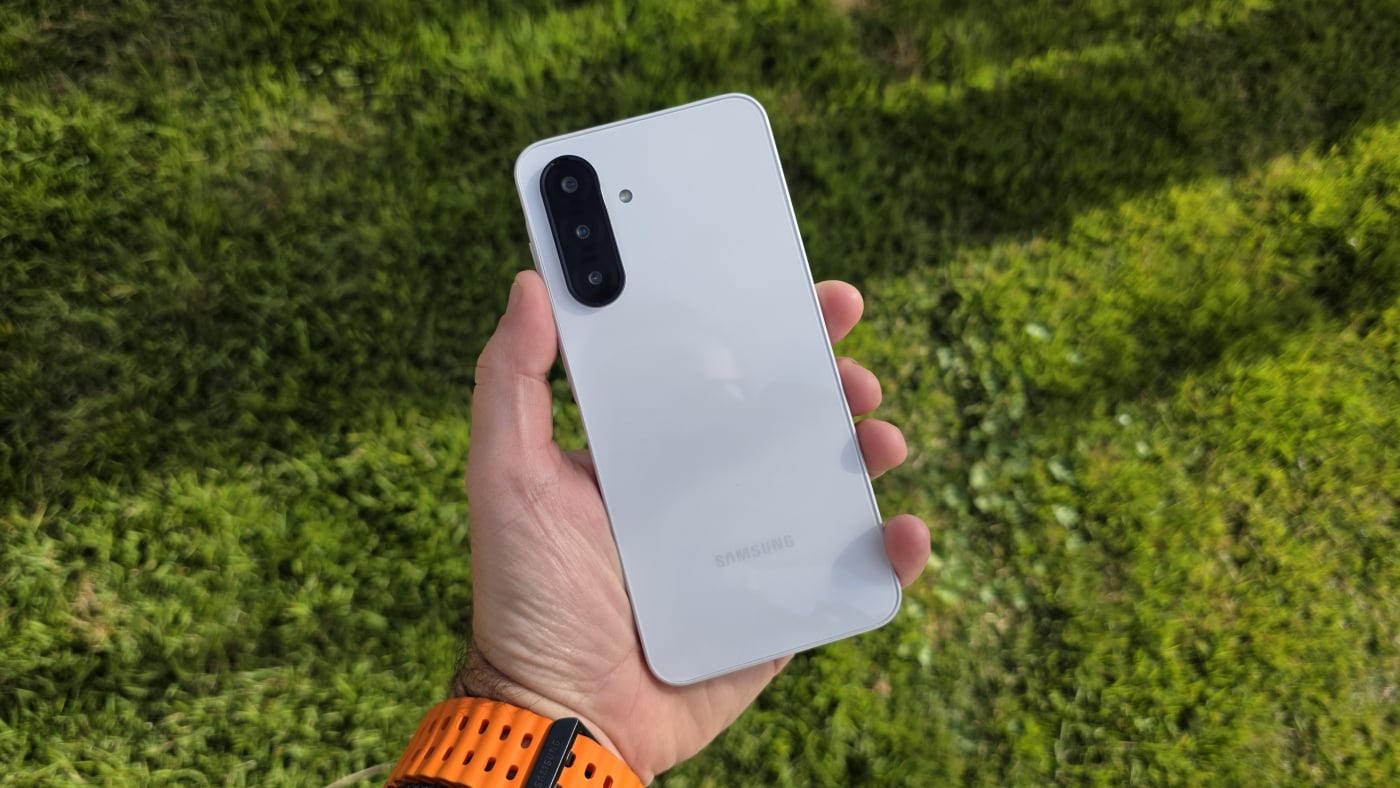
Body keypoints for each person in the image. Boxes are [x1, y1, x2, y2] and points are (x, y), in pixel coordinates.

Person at [387, 272, 932, 786]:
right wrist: (555, 702)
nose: (717, 416)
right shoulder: (640, 573)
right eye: (689, 398)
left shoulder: (795, 534)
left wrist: (542, 708)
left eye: (728, 389)